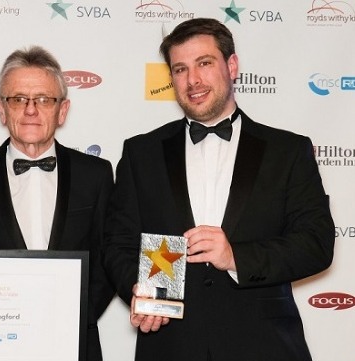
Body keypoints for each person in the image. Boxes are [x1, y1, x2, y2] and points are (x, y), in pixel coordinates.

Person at [102, 18, 334, 361]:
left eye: (204, 64)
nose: (192, 80)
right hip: (170, 346)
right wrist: (136, 289)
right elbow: (118, 244)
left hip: (264, 347)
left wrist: (235, 257)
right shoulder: (141, 153)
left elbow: (316, 243)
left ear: (232, 66)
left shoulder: (287, 151)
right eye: (180, 69)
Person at [0, 45, 115, 361]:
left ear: (62, 110)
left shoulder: (97, 175)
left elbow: (109, 258)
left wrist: (72, 316)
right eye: (19, 99)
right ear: (0, 109)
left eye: (44, 100)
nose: (31, 110)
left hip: (76, 344)